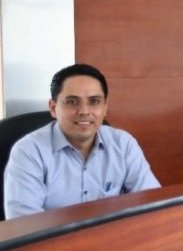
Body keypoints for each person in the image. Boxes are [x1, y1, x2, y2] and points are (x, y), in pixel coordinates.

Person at [3, 64, 160, 219]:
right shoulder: (29, 151)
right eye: (72, 102)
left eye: (94, 101)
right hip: (55, 236)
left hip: (114, 235)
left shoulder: (123, 144)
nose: (84, 111)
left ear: (105, 107)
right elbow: (24, 224)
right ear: (53, 108)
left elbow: (152, 204)